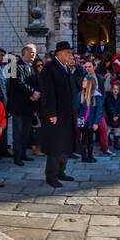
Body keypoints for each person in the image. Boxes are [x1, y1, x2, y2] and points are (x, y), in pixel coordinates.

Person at [36, 42, 82, 188]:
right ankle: (51, 176)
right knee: (55, 147)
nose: (71, 55)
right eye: (68, 52)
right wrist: (51, 113)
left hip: (68, 114)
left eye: (71, 52)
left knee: (66, 145)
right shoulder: (50, 68)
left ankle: (61, 172)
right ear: (60, 53)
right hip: (55, 115)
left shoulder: (66, 68)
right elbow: (47, 93)